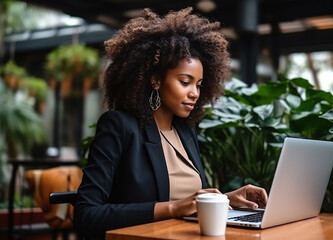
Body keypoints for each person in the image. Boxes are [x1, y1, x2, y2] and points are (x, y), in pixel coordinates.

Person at [74, 7, 267, 239]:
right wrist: (173, 208)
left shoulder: (185, 131)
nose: (195, 93)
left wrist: (224, 199)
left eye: (199, 84)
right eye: (185, 82)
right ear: (155, 80)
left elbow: (188, 203)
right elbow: (87, 215)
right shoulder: (119, 126)